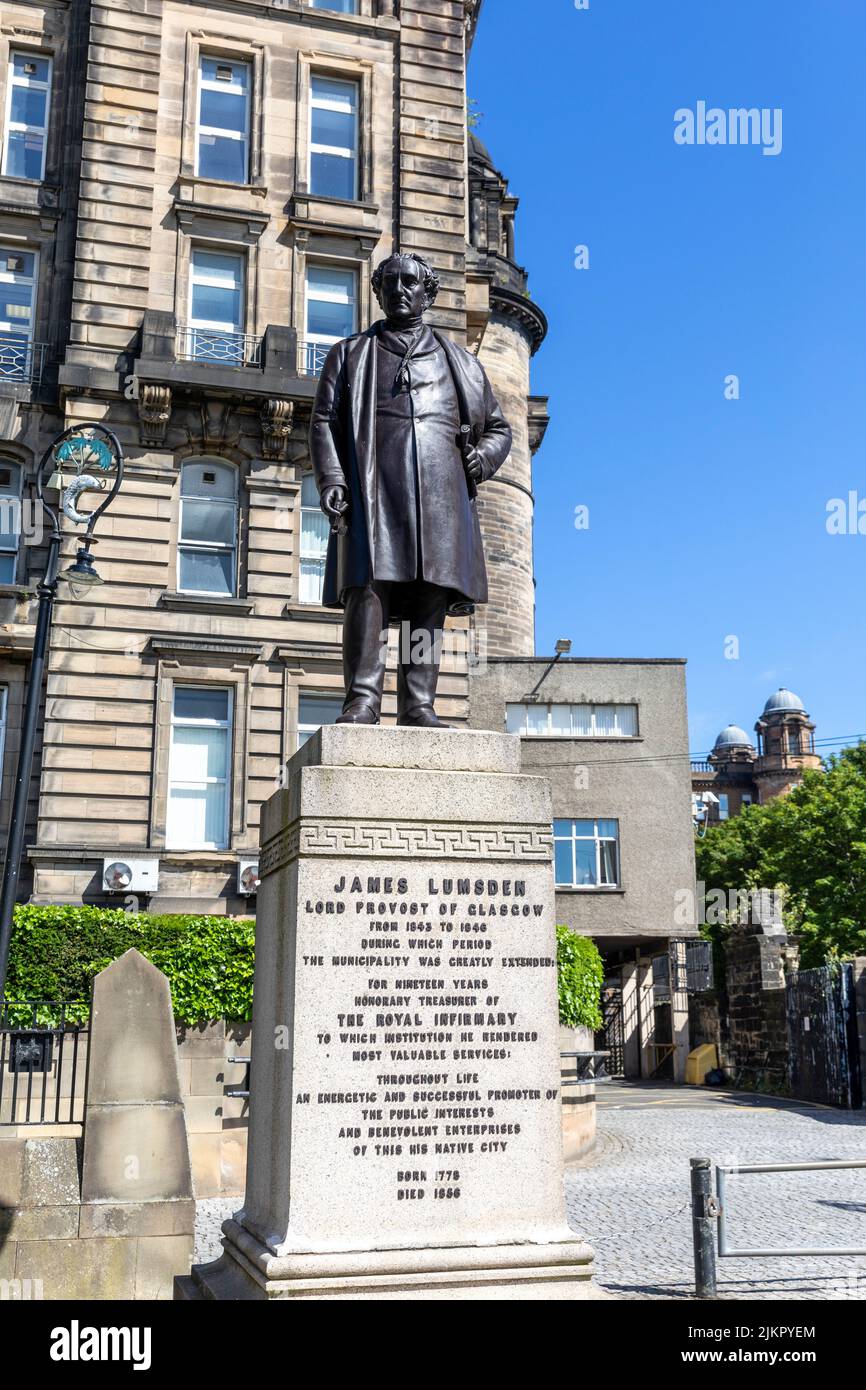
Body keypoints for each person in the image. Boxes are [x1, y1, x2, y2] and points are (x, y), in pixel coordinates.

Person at [309, 251, 512, 727]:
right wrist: (334, 478)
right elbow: (324, 422)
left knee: (429, 595)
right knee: (368, 590)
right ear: (378, 293)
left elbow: (499, 429)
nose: (400, 290)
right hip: (373, 487)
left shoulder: (459, 360)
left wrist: (480, 459)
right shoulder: (350, 354)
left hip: (440, 494)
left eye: (410, 283)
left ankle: (418, 703)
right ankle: (362, 698)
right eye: (390, 283)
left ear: (428, 292)